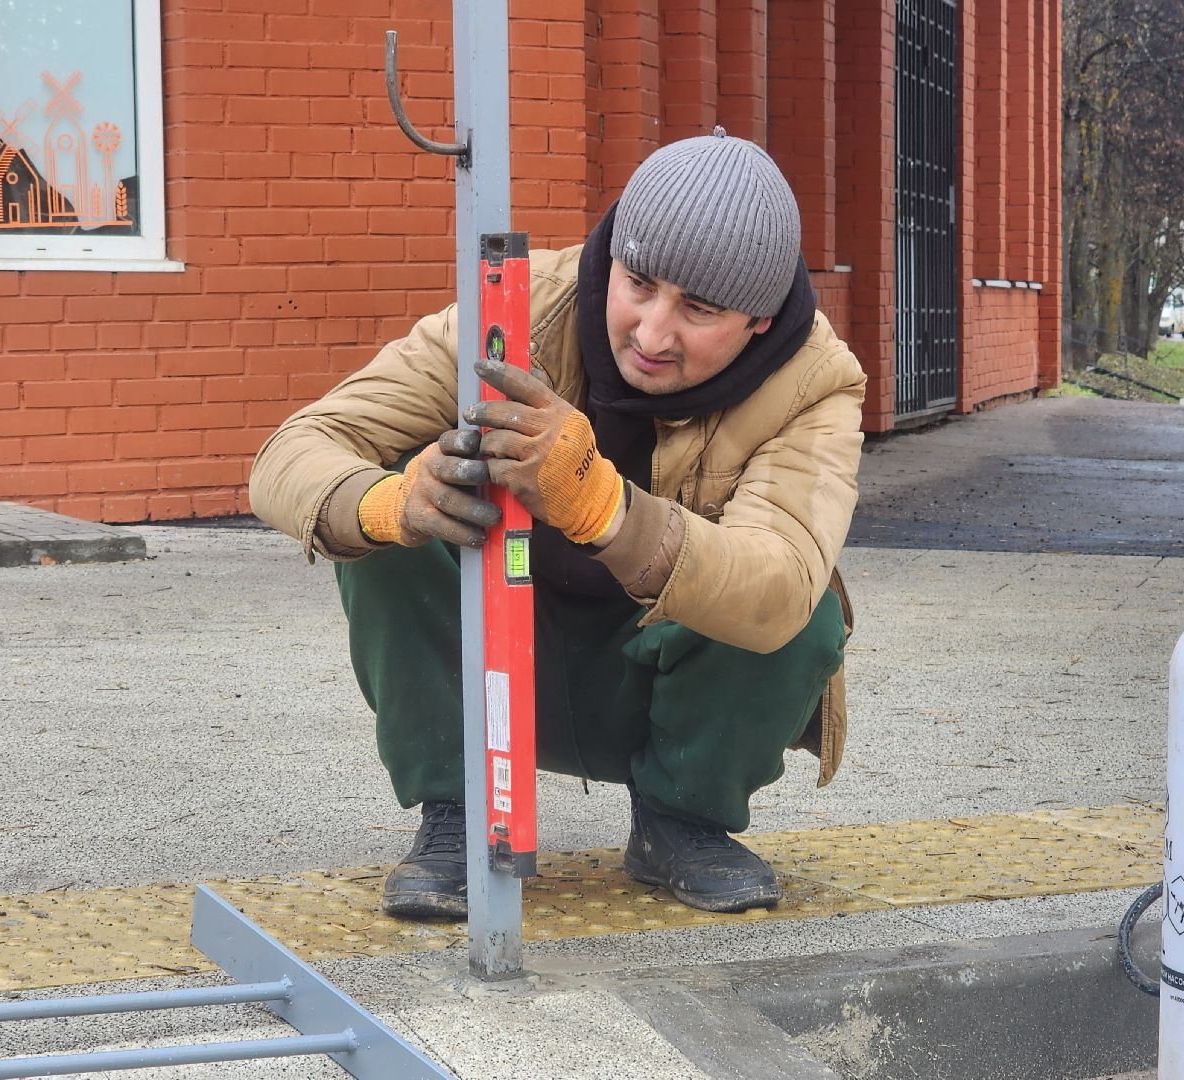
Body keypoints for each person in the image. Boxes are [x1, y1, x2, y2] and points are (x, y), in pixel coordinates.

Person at [249, 128, 865, 918]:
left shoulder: (815, 382)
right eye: (637, 283)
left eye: (699, 310)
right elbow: (290, 453)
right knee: (395, 502)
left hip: (656, 679)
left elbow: (776, 586)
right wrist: (391, 506)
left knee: (802, 606)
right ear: (612, 257)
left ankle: (682, 821)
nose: (650, 334)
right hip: (500, 658)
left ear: (760, 319)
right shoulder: (516, 310)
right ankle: (460, 813)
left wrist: (603, 508)